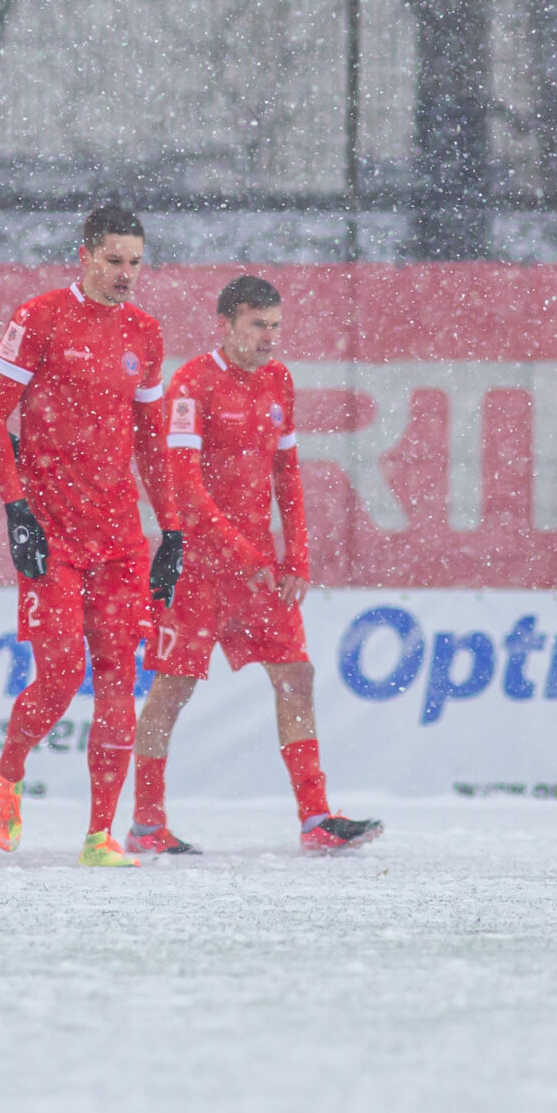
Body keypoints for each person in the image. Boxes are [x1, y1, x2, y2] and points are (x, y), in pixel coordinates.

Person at [132, 276, 382, 855]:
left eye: (275, 326)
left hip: (257, 570)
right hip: (197, 568)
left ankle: (315, 818)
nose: (269, 338)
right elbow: (186, 490)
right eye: (257, 325)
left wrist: (296, 553)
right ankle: (147, 825)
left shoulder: (279, 380)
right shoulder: (193, 382)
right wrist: (246, 554)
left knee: (296, 675)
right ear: (226, 323)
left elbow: (286, 474)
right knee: (172, 689)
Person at [0, 204, 182, 867]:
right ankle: (7, 769)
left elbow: (151, 440)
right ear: (86, 255)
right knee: (61, 677)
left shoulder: (144, 332)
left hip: (119, 537)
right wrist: (16, 510)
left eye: (136, 262)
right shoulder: (40, 317)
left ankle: (99, 834)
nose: (126, 274)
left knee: (121, 680)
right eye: (115, 260)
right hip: (54, 532)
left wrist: (170, 527)